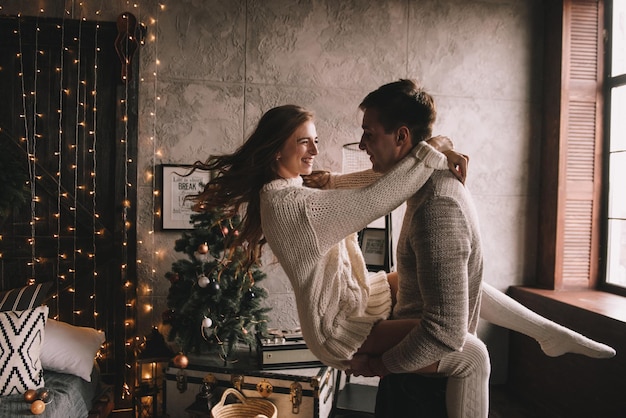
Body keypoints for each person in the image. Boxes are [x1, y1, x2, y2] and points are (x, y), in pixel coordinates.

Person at [191, 104, 490, 418]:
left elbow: (374, 179)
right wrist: (435, 147)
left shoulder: (295, 189)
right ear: (277, 149)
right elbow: (378, 197)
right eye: (304, 141)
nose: (315, 150)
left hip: (359, 297)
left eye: (315, 140)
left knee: (443, 278)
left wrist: (437, 156)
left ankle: (545, 333)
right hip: (339, 326)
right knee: (473, 355)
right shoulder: (293, 206)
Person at [338, 79, 616, 417]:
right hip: (417, 372)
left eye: (370, 133)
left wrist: (381, 365)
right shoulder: (426, 183)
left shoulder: (436, 206)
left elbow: (443, 333)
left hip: (424, 386)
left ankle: (547, 332)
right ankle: (546, 332)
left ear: (401, 137)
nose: (363, 143)